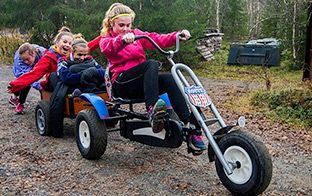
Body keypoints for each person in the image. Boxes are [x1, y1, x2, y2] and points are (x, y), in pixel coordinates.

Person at [96, 3, 206, 155]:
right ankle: (152, 111)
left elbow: (155, 38)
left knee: (168, 78)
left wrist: (176, 36)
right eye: (121, 25)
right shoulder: (106, 40)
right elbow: (109, 49)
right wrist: (122, 40)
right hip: (121, 84)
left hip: (141, 84)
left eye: (128, 25)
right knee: (151, 64)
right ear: (111, 24)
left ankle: (191, 126)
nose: (126, 29)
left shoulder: (136, 34)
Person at [48, 33, 105, 138]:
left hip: (89, 84)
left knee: (101, 82)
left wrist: (93, 72)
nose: (82, 58)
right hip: (72, 86)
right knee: (62, 86)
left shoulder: (91, 60)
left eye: (84, 55)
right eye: (79, 55)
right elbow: (66, 77)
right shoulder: (63, 62)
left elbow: (102, 72)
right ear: (71, 52)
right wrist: (83, 75)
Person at [7, 26, 74, 95]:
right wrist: (15, 85)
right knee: (54, 76)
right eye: (65, 42)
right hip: (56, 84)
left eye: (70, 43)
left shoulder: (73, 56)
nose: (67, 45)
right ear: (57, 42)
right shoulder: (49, 57)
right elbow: (34, 73)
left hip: (70, 82)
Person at [9, 43, 46, 114]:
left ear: (33, 53)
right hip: (21, 71)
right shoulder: (20, 62)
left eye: (27, 59)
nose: (26, 62)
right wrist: (40, 86)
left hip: (36, 62)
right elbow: (28, 78)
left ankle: (45, 99)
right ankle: (20, 103)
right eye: (24, 60)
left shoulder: (42, 52)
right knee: (25, 83)